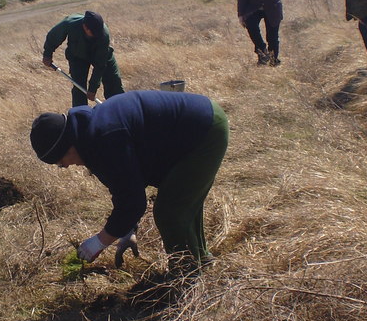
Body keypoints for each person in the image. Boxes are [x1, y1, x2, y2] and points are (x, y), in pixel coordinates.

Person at [30, 90, 229, 273]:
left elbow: (133, 202)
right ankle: (201, 261)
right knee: (182, 200)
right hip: (202, 122)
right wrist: (127, 229)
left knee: (171, 211)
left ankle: (188, 275)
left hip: (204, 130)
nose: (64, 167)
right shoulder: (90, 135)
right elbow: (127, 186)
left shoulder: (104, 138)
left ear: (68, 147)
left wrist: (99, 242)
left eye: (59, 162)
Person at [42, 10, 124, 106]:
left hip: (100, 54)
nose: (96, 35)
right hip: (77, 56)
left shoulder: (103, 34)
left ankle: (121, 109)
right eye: (94, 33)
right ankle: (81, 116)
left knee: (113, 80)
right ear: (85, 27)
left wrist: (93, 89)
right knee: (79, 88)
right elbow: (54, 36)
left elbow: (100, 65)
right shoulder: (70, 23)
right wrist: (47, 54)